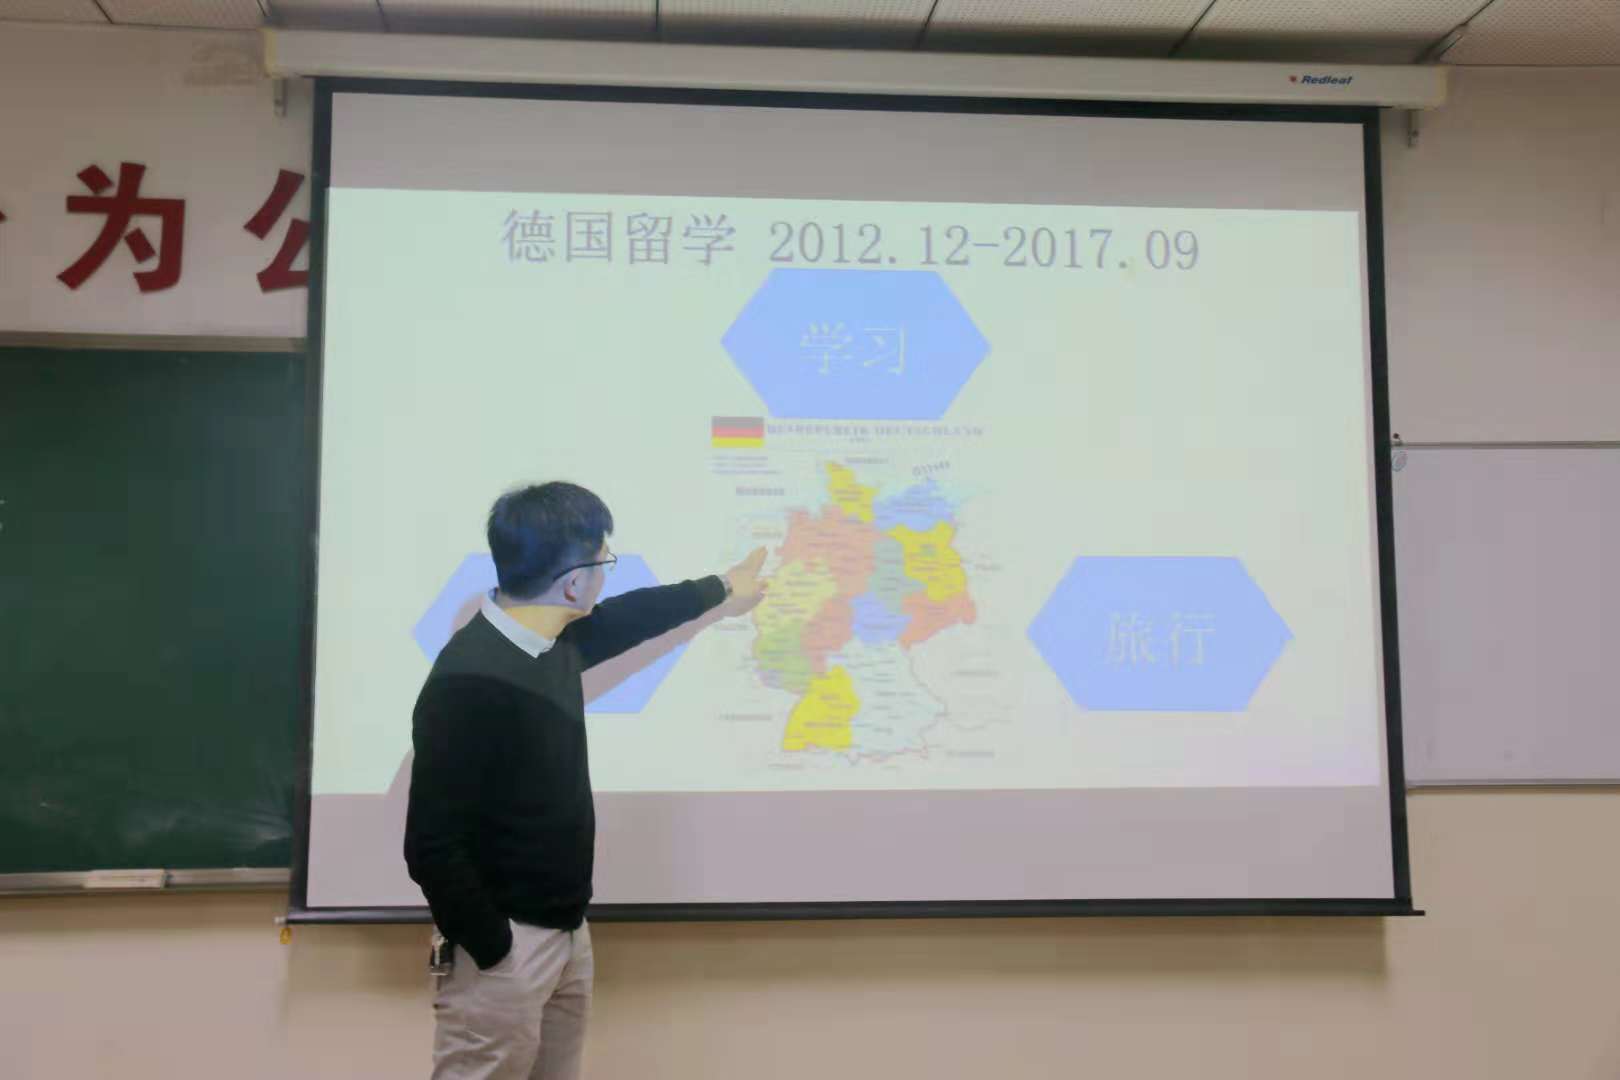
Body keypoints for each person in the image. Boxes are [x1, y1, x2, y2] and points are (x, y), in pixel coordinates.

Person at [404, 481, 767, 1080]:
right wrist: (496, 949)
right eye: (604, 563)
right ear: (574, 583)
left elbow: (635, 615)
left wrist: (724, 586)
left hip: (568, 933)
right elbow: (431, 845)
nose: (606, 577)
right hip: (506, 951)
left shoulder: (552, 643)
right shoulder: (467, 681)